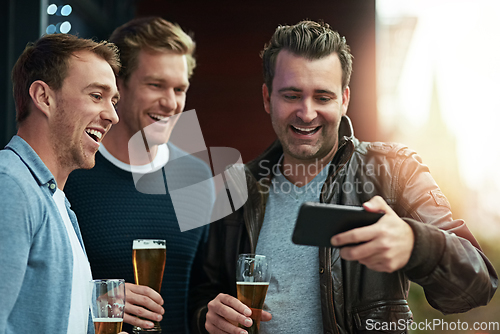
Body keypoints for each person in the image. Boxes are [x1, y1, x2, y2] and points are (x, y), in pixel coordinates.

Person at [189, 20, 498, 334]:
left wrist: (416, 243)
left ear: (345, 99)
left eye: (323, 97)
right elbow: (203, 292)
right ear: (268, 98)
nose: (307, 113)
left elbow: (479, 283)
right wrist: (206, 317)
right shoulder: (236, 188)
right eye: (292, 95)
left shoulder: (395, 170)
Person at [65, 17, 215, 333]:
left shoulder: (198, 178)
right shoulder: (71, 173)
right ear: (118, 85)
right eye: (155, 85)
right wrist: (98, 300)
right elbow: (40, 288)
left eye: (180, 89)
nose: (171, 103)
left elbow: (202, 294)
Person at [0, 34, 120, 333]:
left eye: (113, 100)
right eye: (96, 95)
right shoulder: (11, 186)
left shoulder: (57, 202)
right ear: (43, 97)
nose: (112, 115)